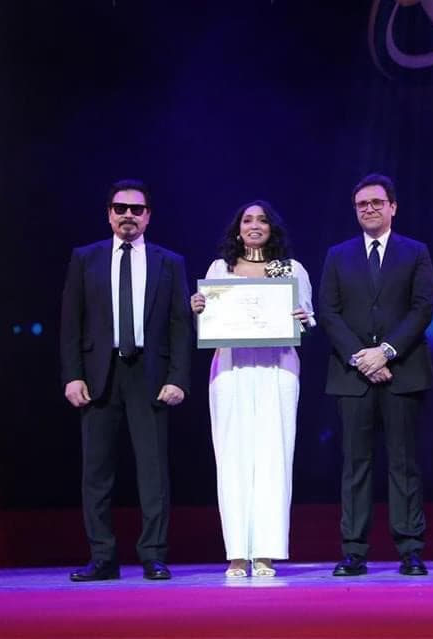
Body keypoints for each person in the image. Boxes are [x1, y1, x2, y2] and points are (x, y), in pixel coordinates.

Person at [61, 179, 191, 582]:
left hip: (149, 374)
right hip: (99, 374)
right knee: (96, 471)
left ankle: (153, 555)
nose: (128, 215)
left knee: (153, 470)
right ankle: (102, 557)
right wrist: (72, 376)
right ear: (109, 214)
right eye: (121, 208)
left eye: (137, 209)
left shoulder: (170, 262)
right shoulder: (86, 258)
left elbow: (180, 324)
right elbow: (70, 322)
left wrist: (178, 378)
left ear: (148, 216)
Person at [317, 173, 433, 577]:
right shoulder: (337, 255)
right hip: (352, 376)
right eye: (361, 204)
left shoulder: (415, 252)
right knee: (356, 465)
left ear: (392, 207)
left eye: (376, 202)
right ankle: (354, 551)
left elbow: (422, 308)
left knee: (404, 463)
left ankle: (411, 549)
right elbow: (328, 312)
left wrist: (385, 352)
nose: (368, 209)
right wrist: (360, 358)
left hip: (403, 371)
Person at [190, 201, 315, 578]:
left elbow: (308, 320)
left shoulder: (290, 269)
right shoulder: (220, 269)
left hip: (278, 368)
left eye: (262, 220)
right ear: (238, 229)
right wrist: (198, 308)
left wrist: (302, 318)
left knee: (274, 456)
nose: (255, 225)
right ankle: (236, 554)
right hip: (231, 369)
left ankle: (265, 552)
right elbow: (207, 323)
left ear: (272, 228)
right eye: (247, 220)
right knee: (232, 459)